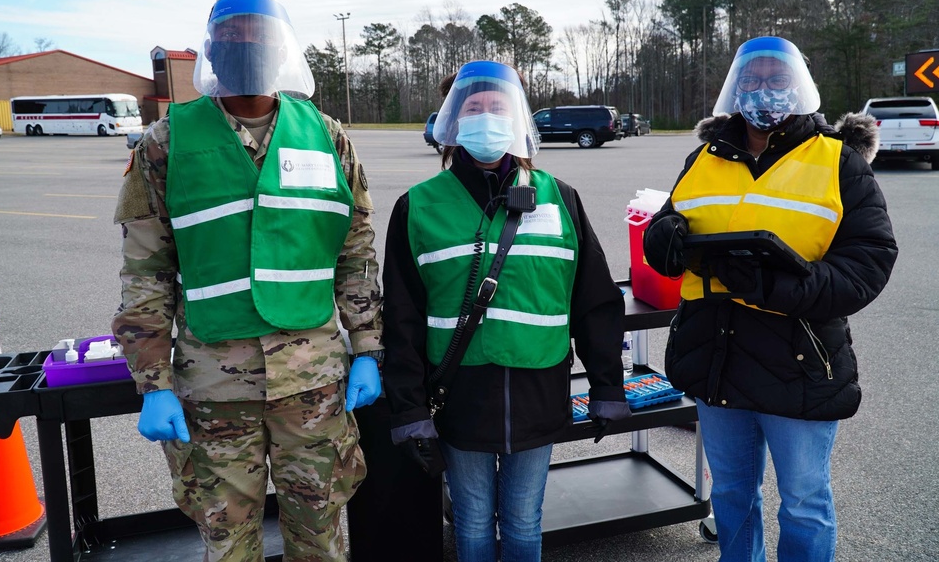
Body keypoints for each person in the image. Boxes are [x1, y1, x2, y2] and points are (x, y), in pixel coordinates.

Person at [111, 0, 384, 562]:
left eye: (256, 37)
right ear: (212, 50)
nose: (244, 48)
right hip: (213, 383)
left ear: (279, 48)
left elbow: (354, 251)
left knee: (320, 534)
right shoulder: (166, 143)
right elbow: (147, 273)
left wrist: (366, 348)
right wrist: (153, 383)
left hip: (313, 380)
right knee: (227, 539)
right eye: (230, 39)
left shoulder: (327, 136)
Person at [643, 36, 898, 562]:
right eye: (752, 80)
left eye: (776, 80)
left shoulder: (838, 161)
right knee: (733, 495)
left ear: (799, 86)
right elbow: (673, 222)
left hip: (799, 361)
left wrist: (779, 289)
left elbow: (869, 260)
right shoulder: (704, 158)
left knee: (804, 502)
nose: (763, 91)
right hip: (717, 359)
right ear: (735, 88)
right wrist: (661, 235)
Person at [383, 60, 631, 562]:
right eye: (473, 107)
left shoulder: (560, 199)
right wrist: (409, 409)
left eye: (497, 106)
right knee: (472, 523)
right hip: (459, 397)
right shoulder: (417, 206)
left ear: (517, 117)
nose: (486, 116)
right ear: (451, 121)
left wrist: (608, 386)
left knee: (523, 521)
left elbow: (594, 301)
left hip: (538, 392)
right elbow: (402, 318)